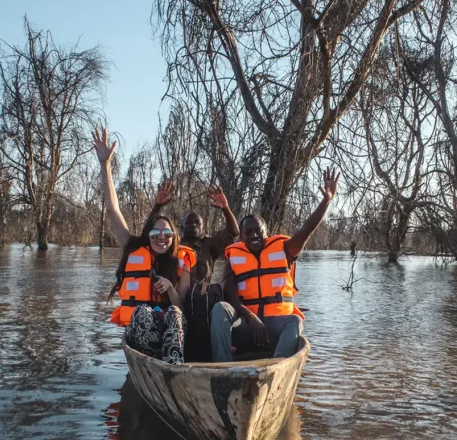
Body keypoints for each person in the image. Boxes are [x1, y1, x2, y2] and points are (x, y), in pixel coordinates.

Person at [211, 168, 340, 362]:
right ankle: (222, 369)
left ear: (267, 232)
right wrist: (251, 318)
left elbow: (307, 229)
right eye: (248, 232)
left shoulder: (285, 249)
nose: (253, 235)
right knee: (220, 308)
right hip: (247, 327)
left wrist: (326, 200)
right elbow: (230, 295)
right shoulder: (234, 258)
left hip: (276, 330)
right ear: (242, 235)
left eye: (258, 231)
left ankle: (276, 369)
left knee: (295, 321)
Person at [94, 127, 190, 364]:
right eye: (155, 232)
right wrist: (105, 164)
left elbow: (182, 308)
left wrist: (169, 287)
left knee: (174, 312)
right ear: (148, 236)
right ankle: (160, 364)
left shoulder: (180, 262)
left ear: (173, 237)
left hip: (169, 336)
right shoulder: (132, 247)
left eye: (167, 233)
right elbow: (112, 209)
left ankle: (173, 367)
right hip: (141, 331)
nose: (161, 237)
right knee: (143, 311)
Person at [146, 181, 240, 360]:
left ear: (203, 228)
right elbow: (148, 234)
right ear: (181, 228)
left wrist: (225, 208)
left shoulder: (209, 244)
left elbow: (233, 231)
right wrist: (157, 206)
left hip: (202, 303)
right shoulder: (170, 244)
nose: (193, 226)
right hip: (175, 300)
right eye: (189, 224)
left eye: (198, 224)